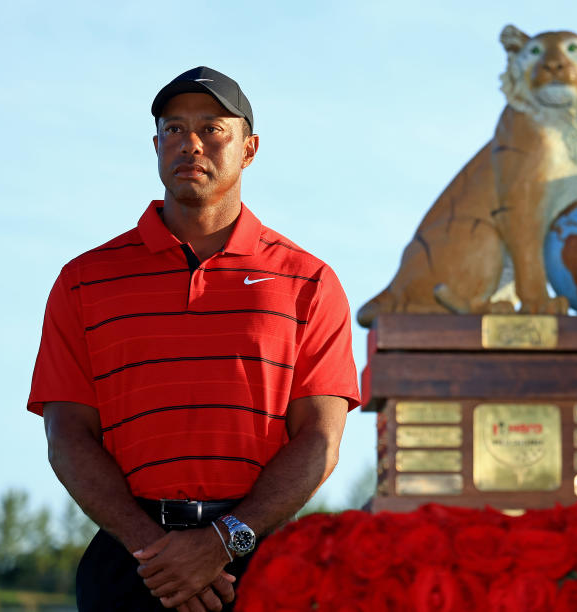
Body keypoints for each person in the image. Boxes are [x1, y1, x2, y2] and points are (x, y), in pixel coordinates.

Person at [27, 66, 360, 611]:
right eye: (174, 129)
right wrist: (157, 552)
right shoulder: (84, 280)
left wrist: (222, 542)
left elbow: (320, 441)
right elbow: (67, 437)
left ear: (249, 150)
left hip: (261, 561)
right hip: (132, 562)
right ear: (156, 146)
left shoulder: (310, 281)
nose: (191, 144)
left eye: (212, 129)